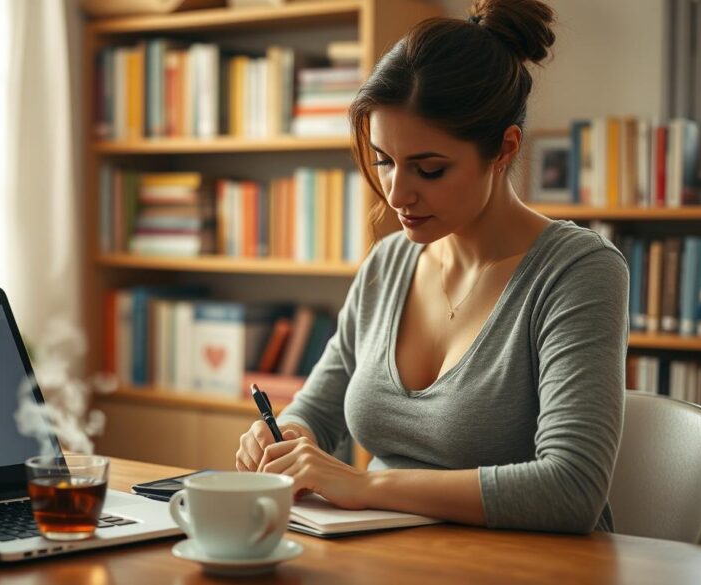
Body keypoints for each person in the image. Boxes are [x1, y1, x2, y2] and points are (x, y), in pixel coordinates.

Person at [235, 0, 628, 534]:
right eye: (384, 160)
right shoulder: (388, 262)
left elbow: (571, 489)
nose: (397, 193)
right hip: (391, 559)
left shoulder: (578, 272)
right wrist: (286, 437)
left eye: (430, 168)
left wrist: (367, 486)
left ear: (504, 149)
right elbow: (318, 412)